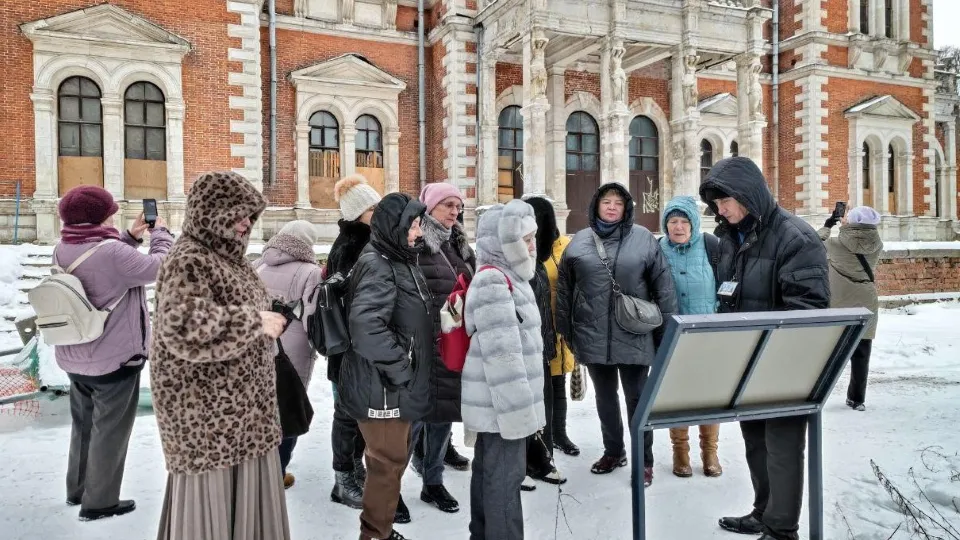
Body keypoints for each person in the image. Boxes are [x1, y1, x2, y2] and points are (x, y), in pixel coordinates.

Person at [152, 171, 291, 540]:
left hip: (246, 416)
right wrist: (254, 321)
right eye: (238, 213)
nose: (246, 222)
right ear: (212, 212)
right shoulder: (189, 258)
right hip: (209, 421)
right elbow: (181, 326)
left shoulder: (232, 259)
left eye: (250, 214)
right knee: (210, 517)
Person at [700, 157, 829, 540]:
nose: (718, 209)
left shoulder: (795, 237)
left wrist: (772, 349)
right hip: (745, 362)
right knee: (755, 440)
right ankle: (765, 511)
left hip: (785, 365)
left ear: (746, 194)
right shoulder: (729, 237)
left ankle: (781, 529)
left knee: (783, 448)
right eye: (715, 203)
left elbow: (809, 309)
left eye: (724, 201)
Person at [53, 185, 173, 521]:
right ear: (99, 216)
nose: (114, 212)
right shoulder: (112, 253)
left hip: (75, 356)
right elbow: (161, 267)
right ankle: (100, 501)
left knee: (84, 425)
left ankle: (77, 490)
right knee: (110, 430)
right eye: (110, 210)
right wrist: (160, 234)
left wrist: (129, 238)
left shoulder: (64, 246)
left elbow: (104, 263)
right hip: (114, 359)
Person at [556, 182, 677, 487]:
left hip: (635, 334)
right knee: (605, 398)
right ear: (596, 205)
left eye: (618, 203)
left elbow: (664, 287)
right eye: (606, 201)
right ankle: (614, 451)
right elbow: (565, 290)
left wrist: (665, 334)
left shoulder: (644, 240)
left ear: (626, 208)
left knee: (637, 399)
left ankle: (644, 460)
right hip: (593, 335)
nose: (611, 207)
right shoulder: (580, 241)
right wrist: (567, 330)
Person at [339, 193, 433, 540]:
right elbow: (366, 328)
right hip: (381, 386)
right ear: (394, 226)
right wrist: (401, 367)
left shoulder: (398, 258)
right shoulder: (379, 263)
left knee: (390, 463)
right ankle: (375, 534)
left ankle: (381, 528)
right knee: (385, 465)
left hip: (391, 384)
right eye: (413, 223)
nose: (418, 231)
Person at [462, 200, 545, 540]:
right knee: (503, 482)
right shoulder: (494, 281)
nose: (532, 244)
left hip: (501, 404)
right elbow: (503, 357)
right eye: (524, 238)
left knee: (492, 475)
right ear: (502, 240)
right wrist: (519, 413)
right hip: (502, 406)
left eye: (533, 236)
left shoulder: (511, 276)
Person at [413, 182, 476, 513]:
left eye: (457, 206)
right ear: (430, 207)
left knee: (443, 415)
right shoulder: (417, 243)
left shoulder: (462, 246)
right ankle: (392, 486)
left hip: (456, 342)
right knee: (414, 419)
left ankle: (432, 482)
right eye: (447, 205)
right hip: (425, 344)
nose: (454, 211)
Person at [253, 220, 323, 488]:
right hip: (292, 350)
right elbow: (311, 318)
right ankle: (277, 472)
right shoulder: (310, 271)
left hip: (258, 344)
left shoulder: (259, 264)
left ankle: (257, 468)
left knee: (260, 408)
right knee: (289, 408)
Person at [326, 174, 381, 510]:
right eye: (372, 207)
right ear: (358, 213)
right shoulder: (351, 245)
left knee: (357, 413)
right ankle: (343, 479)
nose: (378, 211)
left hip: (358, 346)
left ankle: (354, 472)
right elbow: (353, 298)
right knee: (347, 414)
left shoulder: (366, 240)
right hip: (349, 348)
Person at [657, 195, 723, 478]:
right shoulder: (657, 249)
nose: (678, 227)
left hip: (707, 334)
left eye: (684, 221)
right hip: (672, 334)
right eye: (673, 221)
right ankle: (680, 451)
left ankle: (710, 451)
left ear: (694, 224)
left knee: (708, 393)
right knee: (678, 393)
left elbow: (728, 283)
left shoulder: (711, 247)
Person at [819, 205, 882, 412]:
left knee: (832, 352)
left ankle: (819, 394)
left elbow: (814, 242)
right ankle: (857, 399)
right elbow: (857, 241)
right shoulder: (877, 243)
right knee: (862, 353)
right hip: (867, 301)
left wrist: (829, 225)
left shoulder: (836, 244)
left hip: (841, 303)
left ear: (853, 222)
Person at [522, 196, 566, 485]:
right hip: (521, 352)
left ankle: (544, 456)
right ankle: (522, 462)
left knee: (544, 406)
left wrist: (549, 347)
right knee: (523, 409)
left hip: (542, 347)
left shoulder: (541, 261)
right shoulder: (514, 266)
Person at [543, 211, 579, 458]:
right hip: (538, 330)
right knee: (542, 390)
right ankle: (542, 439)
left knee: (559, 386)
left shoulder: (567, 246)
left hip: (562, 328)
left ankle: (560, 434)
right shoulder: (531, 248)